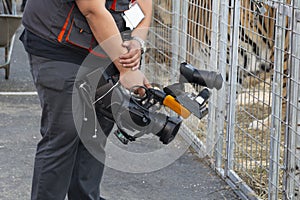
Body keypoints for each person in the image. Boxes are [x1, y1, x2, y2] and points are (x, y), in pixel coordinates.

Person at [20, 0, 152, 199]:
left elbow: (143, 5)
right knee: (65, 132)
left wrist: (137, 42)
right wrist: (126, 69)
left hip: (104, 46)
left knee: (95, 133)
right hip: (59, 46)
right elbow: (92, 9)